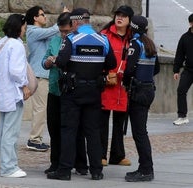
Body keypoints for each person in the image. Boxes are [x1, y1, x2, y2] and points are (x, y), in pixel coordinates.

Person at [47, 8, 116, 181]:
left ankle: (64, 170)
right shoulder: (103, 39)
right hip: (94, 91)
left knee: (69, 130)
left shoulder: (72, 39)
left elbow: (62, 62)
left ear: (75, 22)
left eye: (71, 23)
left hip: (73, 91)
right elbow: (112, 63)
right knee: (93, 131)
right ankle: (96, 171)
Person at [42, 12, 88, 175]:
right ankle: (56, 163)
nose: (63, 35)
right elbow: (45, 60)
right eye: (61, 31)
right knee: (54, 128)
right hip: (55, 89)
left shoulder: (78, 41)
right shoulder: (55, 40)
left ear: (73, 27)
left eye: (66, 31)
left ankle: (80, 163)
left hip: (72, 91)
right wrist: (48, 61)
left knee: (75, 129)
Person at [0, 14, 30, 178]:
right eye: (24, 27)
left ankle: (6, 164)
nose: (25, 30)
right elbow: (16, 70)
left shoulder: (2, 42)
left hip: (2, 91)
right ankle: (9, 167)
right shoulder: (17, 45)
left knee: (4, 131)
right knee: (11, 132)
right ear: (19, 27)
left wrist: (3, 73)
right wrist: (24, 85)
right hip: (14, 93)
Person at [123, 15, 160, 182]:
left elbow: (129, 69)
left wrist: (126, 82)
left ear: (132, 28)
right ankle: (145, 167)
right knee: (141, 130)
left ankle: (146, 169)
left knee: (139, 132)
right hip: (148, 89)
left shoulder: (135, 44)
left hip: (137, 91)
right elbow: (157, 68)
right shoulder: (149, 44)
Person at [25, 6, 65, 151]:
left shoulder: (41, 33)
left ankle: (36, 138)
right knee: (40, 108)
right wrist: (62, 17)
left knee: (44, 108)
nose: (45, 17)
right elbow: (54, 30)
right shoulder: (32, 31)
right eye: (42, 14)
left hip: (46, 75)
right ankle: (34, 139)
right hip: (39, 75)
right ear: (35, 18)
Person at [99, 5, 133, 167]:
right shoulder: (104, 35)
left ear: (129, 20)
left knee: (120, 124)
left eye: (123, 16)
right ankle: (100, 154)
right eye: (117, 15)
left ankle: (117, 155)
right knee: (102, 122)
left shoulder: (133, 38)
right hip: (107, 84)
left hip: (124, 87)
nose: (119, 18)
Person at [173, 13, 193, 126]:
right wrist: (176, 70)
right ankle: (182, 116)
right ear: (191, 23)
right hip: (189, 70)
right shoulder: (184, 38)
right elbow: (179, 54)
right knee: (181, 90)